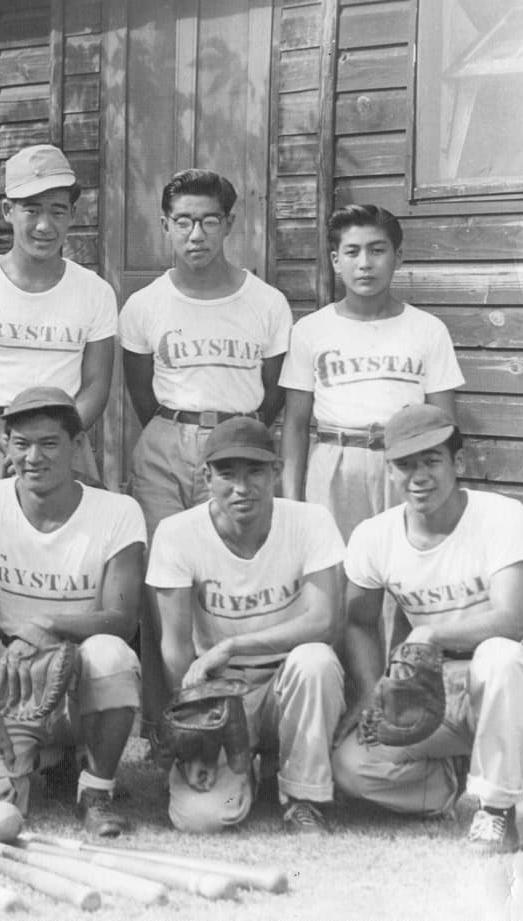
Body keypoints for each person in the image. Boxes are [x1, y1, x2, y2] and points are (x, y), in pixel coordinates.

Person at [119, 168, 293, 734]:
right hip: (166, 440)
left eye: (209, 221)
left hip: (236, 444)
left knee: (222, 574)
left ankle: (232, 709)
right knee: (160, 583)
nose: (196, 234)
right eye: (184, 222)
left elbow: (273, 392)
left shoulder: (265, 302)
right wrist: (179, 432)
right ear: (165, 226)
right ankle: (163, 722)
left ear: (229, 225)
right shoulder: (145, 304)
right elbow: (141, 389)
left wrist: (233, 439)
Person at [332, 405, 523, 854]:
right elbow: (358, 622)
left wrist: (433, 633)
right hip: (428, 688)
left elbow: (510, 620)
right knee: (351, 767)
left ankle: (497, 810)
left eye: (432, 461)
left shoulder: (502, 516)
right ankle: (449, 778)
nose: (419, 476)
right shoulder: (374, 536)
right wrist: (370, 690)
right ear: (390, 472)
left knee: (501, 659)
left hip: (499, 687)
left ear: (458, 464)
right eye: (406, 465)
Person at [0, 388, 145, 836]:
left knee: (113, 655)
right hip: (14, 682)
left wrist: (49, 624)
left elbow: (122, 619)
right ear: (6, 446)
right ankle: (44, 758)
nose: (33, 456)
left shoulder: (117, 511)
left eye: (49, 443)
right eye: (20, 443)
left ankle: (96, 789)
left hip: (81, 675)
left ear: (76, 445)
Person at [147, 417, 345, 835]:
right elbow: (176, 647)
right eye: (227, 473)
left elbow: (324, 621)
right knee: (199, 818)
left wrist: (233, 645)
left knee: (316, 660)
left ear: (276, 471)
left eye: (255, 471)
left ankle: (302, 797)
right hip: (219, 697)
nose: (242, 487)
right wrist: (195, 727)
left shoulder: (311, 521)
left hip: (286, 684)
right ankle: (249, 770)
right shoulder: (177, 532)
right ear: (206, 477)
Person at [0, 144, 117, 499]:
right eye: (31, 210)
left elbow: (96, 385)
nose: (44, 226)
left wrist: (54, 443)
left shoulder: (96, 291)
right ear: (8, 210)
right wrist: (10, 443)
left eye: (57, 211)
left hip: (65, 443)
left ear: (72, 214)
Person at [280, 204, 463, 540]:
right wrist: (291, 504)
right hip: (335, 462)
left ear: (398, 256)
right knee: (335, 573)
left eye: (377, 250)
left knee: (403, 569)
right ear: (336, 260)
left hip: (405, 463)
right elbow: (294, 424)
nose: (365, 263)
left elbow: (444, 422)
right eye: (352, 252)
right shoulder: (310, 330)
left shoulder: (428, 329)